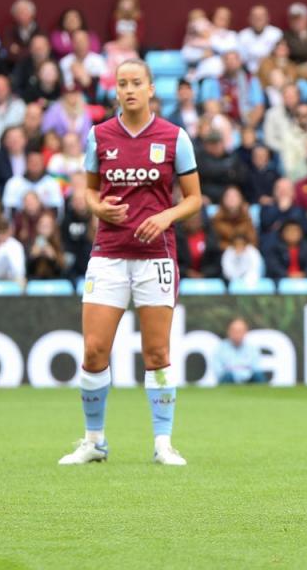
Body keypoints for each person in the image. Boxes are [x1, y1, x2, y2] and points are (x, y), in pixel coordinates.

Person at [58, 58, 201, 467]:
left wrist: (166, 216)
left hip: (156, 258)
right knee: (93, 350)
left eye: (137, 82)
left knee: (157, 353)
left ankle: (163, 443)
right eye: (123, 84)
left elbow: (193, 198)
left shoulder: (175, 137)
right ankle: (94, 441)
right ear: (116, 90)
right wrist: (97, 208)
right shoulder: (99, 136)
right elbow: (88, 190)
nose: (130, 89)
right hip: (109, 254)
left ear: (152, 88)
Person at [213, 318, 266, 386]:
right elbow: (219, 372)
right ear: (229, 332)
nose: (237, 334)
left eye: (240, 331)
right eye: (234, 331)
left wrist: (243, 376)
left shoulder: (252, 348)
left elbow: (256, 369)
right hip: (229, 380)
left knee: (258, 376)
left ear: (245, 332)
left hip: (249, 380)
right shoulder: (220, 348)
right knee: (227, 376)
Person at [176, 208, 222, 279]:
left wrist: (204, 274)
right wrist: (186, 272)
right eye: (190, 220)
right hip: (183, 278)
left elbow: (216, 263)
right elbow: (175, 262)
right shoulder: (178, 238)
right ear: (184, 222)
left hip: (208, 278)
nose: (193, 222)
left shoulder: (210, 237)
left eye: (196, 220)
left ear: (201, 221)